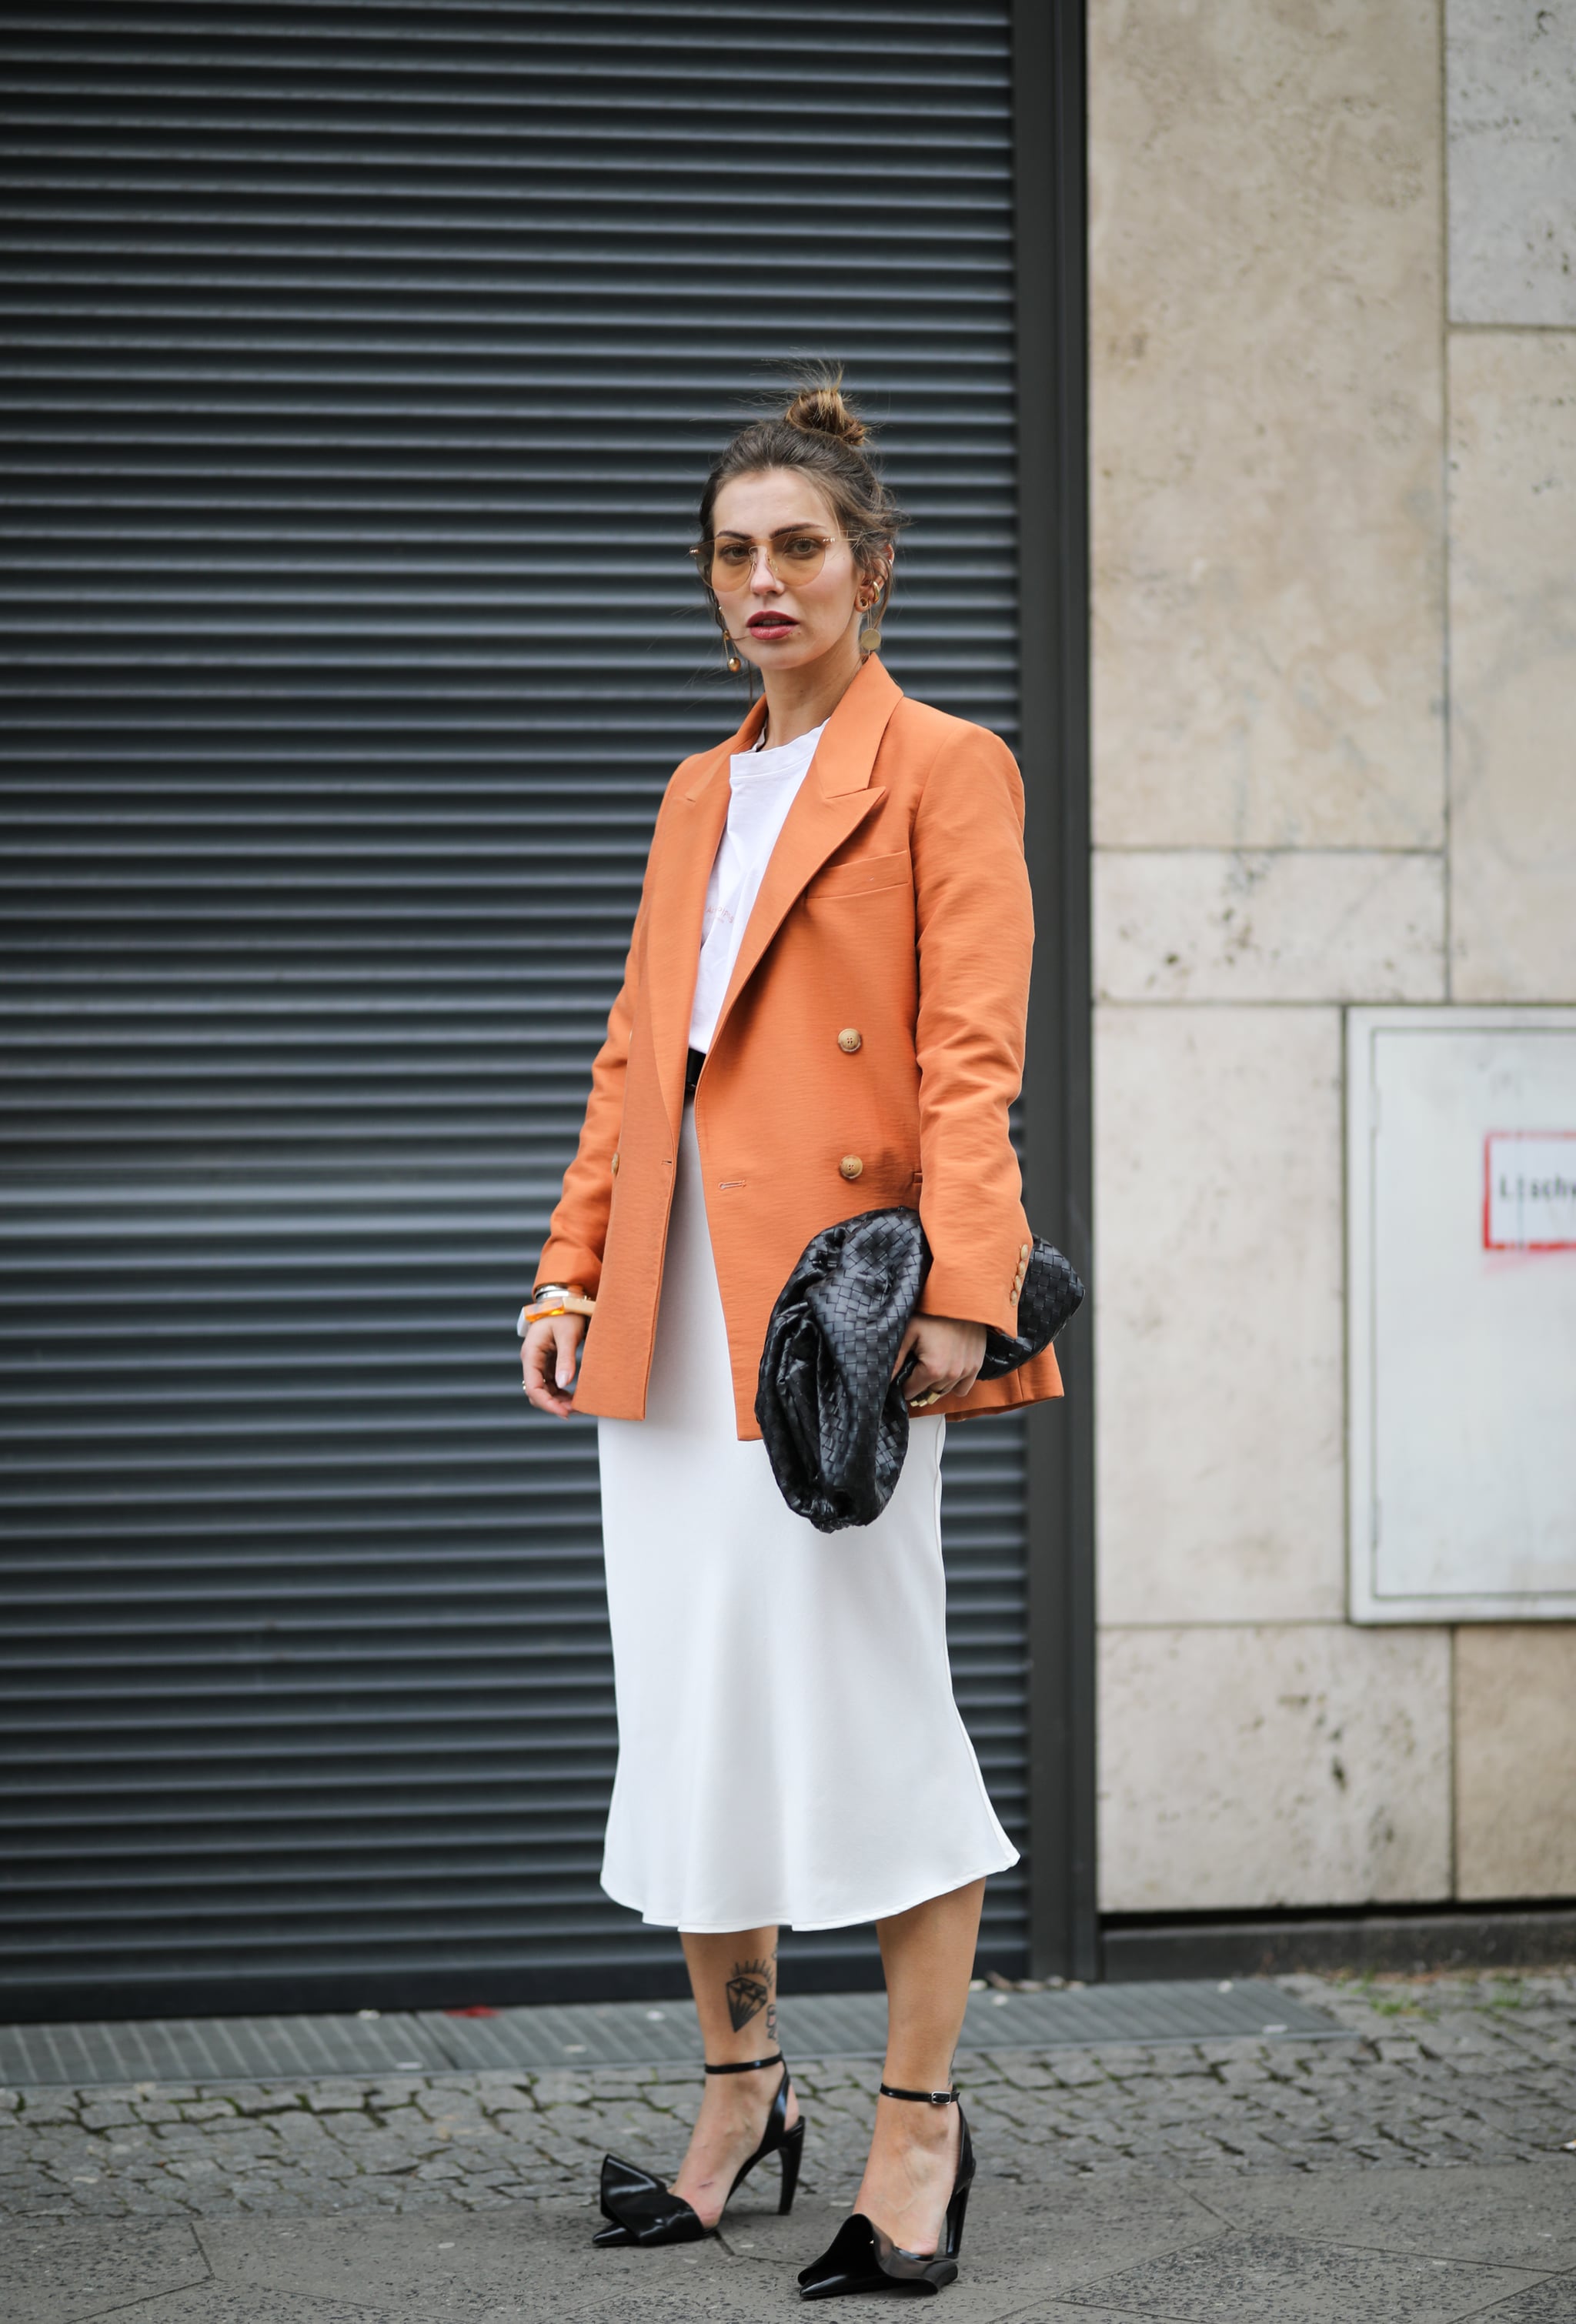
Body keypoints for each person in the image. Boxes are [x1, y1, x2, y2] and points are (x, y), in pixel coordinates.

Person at [521, 379, 1063, 2299]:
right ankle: (741, 2097)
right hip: (667, 1322)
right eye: (734, 552)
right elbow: (630, 1058)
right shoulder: (695, 787)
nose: (763, 581)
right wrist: (570, 1270)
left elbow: (968, 1055)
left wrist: (971, 1301)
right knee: (689, 1717)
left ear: (871, 566)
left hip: (824, 1326)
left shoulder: (946, 765)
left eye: (798, 550)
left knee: (870, 1713)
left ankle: (919, 2125)